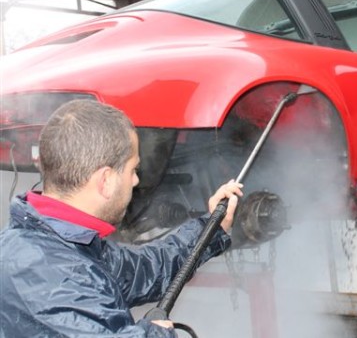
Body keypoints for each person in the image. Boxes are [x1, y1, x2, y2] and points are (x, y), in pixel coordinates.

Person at [0, 99, 243, 337]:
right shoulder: (52, 271)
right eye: (132, 170)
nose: (136, 181)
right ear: (105, 181)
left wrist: (210, 228)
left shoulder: (60, 242)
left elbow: (146, 270)